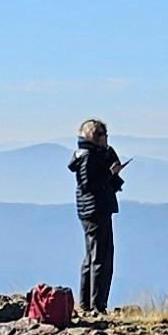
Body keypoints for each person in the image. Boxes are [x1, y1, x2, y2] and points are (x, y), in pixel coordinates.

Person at [71, 119, 125, 317]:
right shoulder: (88, 157)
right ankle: (97, 305)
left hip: (92, 210)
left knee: (92, 256)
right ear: (96, 137)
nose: (107, 140)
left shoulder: (88, 155)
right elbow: (89, 184)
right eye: (104, 135)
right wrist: (110, 174)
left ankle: (87, 303)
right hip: (96, 210)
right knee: (101, 256)